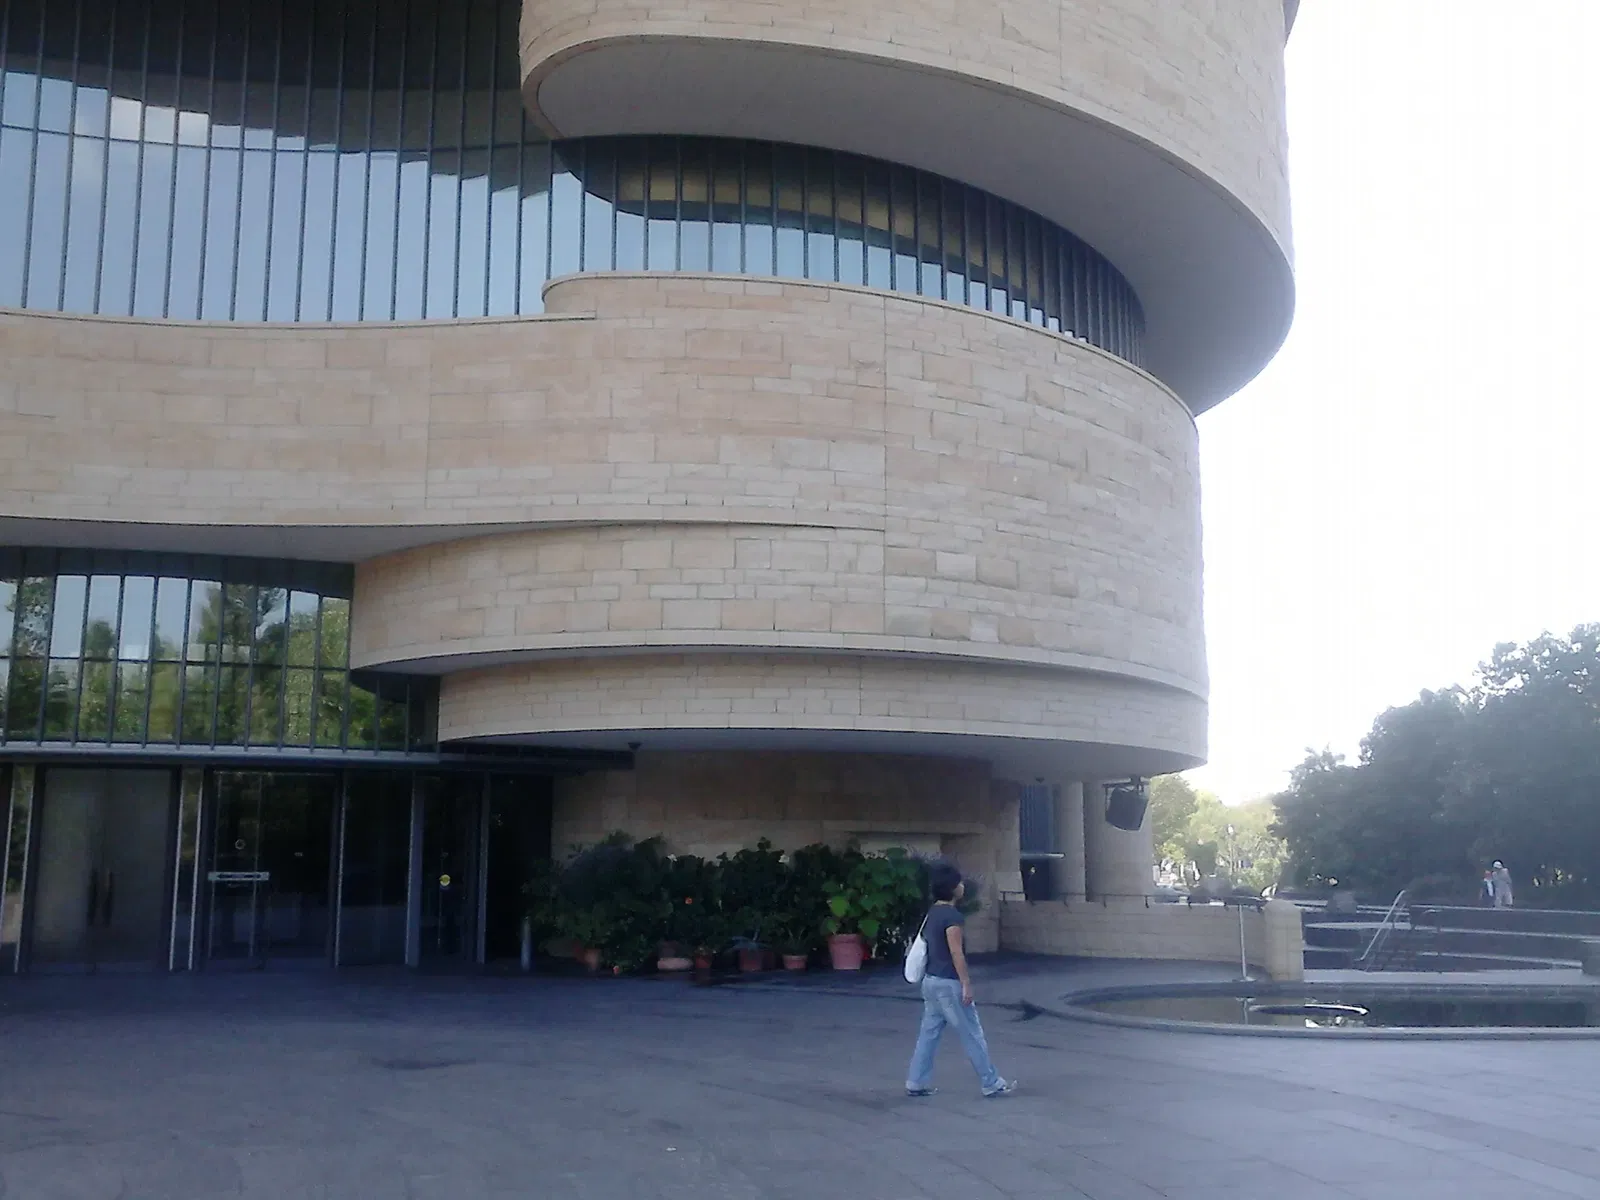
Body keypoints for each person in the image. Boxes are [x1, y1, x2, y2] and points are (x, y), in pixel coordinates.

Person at [905, 861, 1015, 1099]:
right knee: (972, 1033)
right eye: (960, 883)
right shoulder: (952, 917)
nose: (963, 886)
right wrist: (966, 983)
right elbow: (956, 953)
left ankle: (916, 1081)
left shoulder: (932, 912)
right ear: (953, 888)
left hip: (931, 981)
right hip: (948, 983)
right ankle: (990, 1081)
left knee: (928, 1034)